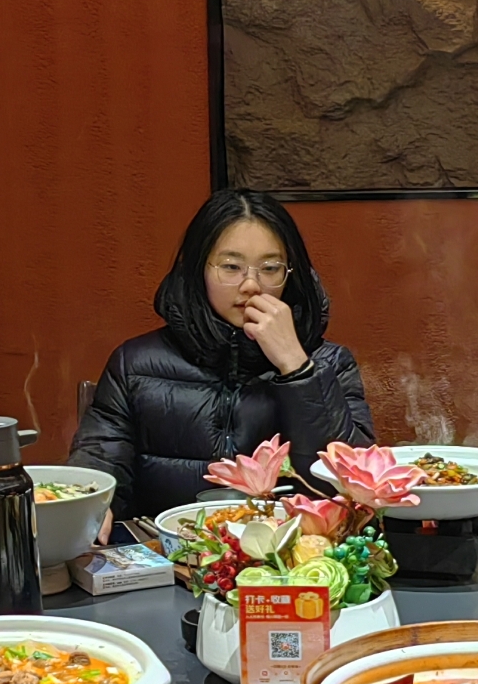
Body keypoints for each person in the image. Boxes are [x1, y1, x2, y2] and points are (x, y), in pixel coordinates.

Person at [71, 189, 373, 517]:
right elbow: (98, 467)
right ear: (198, 269)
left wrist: (297, 367)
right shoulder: (135, 364)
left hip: (293, 547)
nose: (251, 285)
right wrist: (92, 505)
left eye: (270, 268)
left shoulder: (330, 365)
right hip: (167, 543)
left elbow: (353, 489)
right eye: (231, 267)